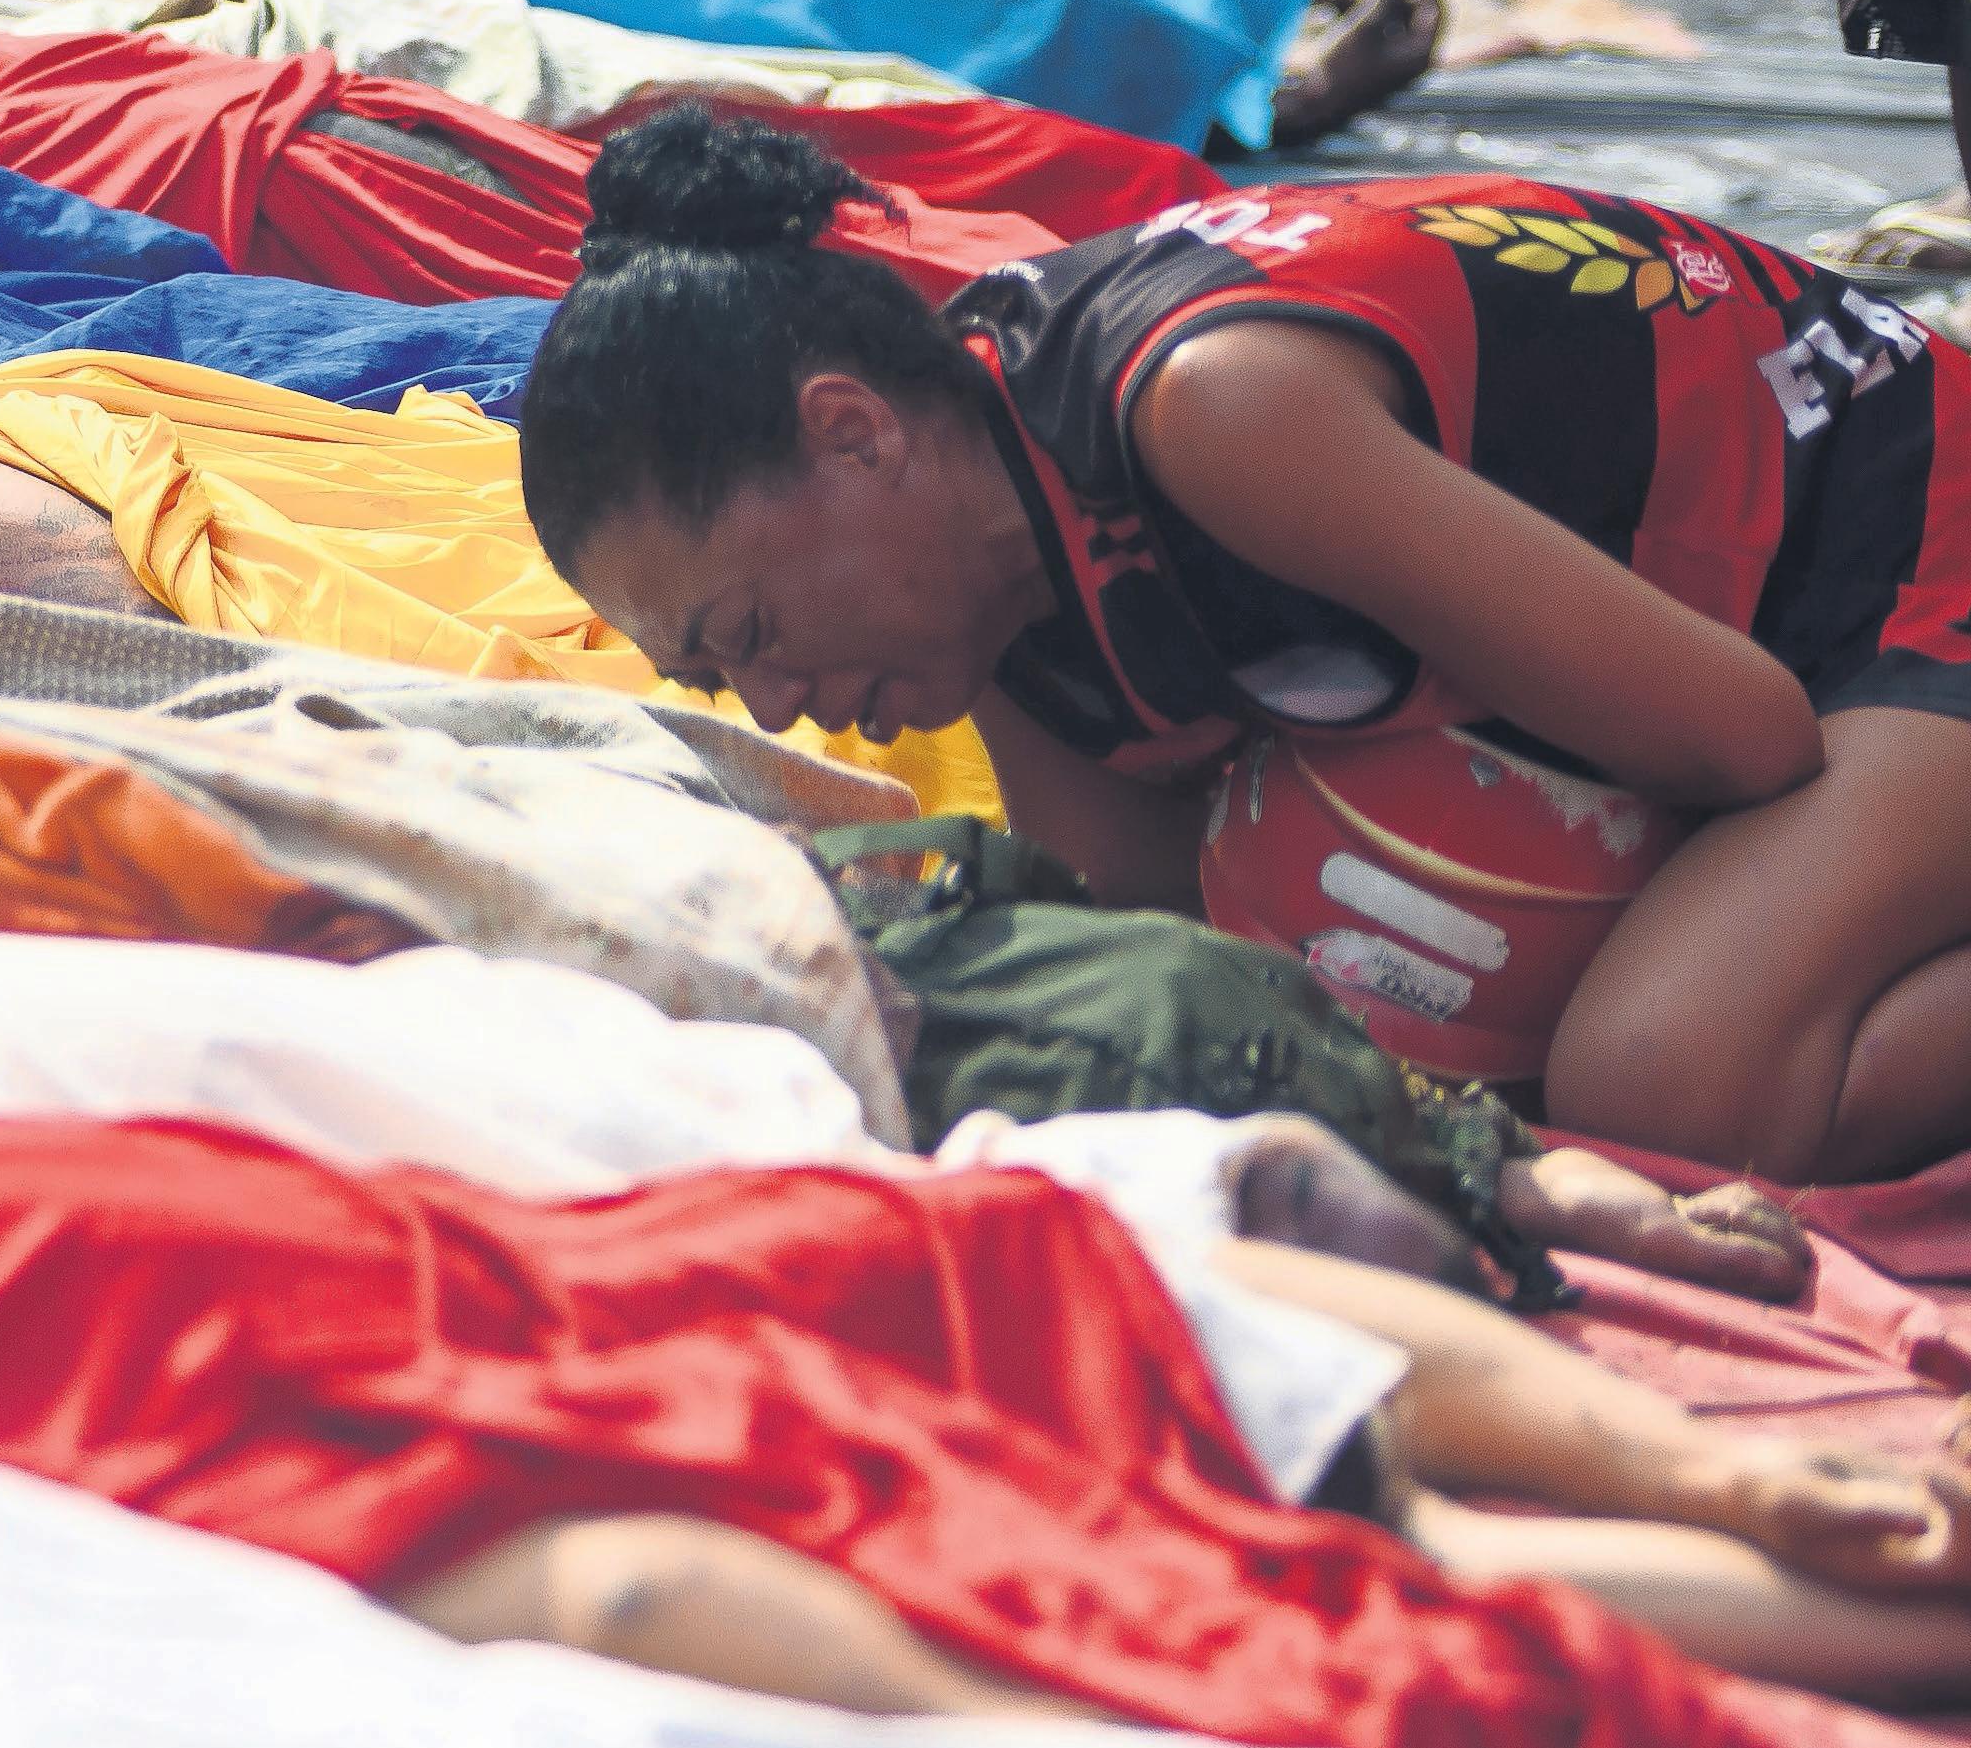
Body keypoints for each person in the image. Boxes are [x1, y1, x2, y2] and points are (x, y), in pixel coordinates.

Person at [514, 102, 1971, 1185]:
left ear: (854, 431)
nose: (779, 705)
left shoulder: (1217, 409)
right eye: (719, 683)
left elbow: (1745, 738)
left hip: (1912, 557)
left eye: (752, 631)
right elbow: (1172, 942)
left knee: (1656, 1080)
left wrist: (1505, 961)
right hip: (1775, 652)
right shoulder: (988, 581)